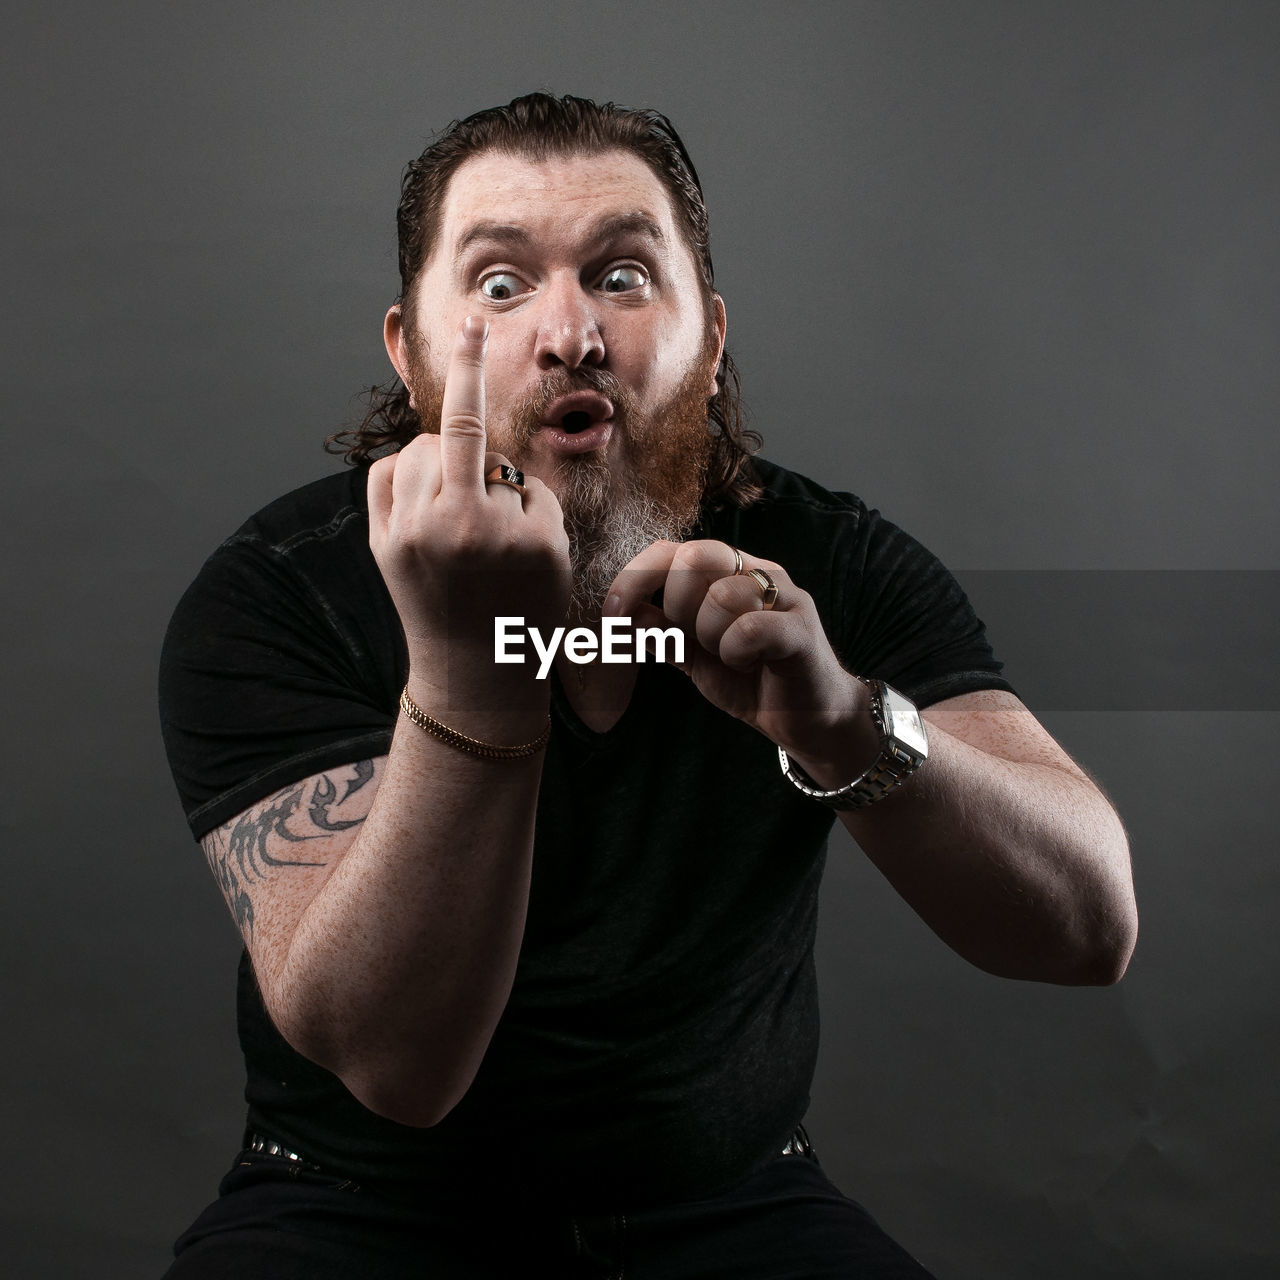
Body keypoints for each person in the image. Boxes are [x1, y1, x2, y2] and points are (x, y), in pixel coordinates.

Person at [158, 93, 1138, 1278]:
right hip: (350, 1208)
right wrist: (472, 670)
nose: (569, 331)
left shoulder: (825, 562)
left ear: (707, 335)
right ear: (411, 351)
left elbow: (1088, 922)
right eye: (500, 285)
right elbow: (397, 1064)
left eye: (622, 275)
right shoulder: (280, 592)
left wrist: (838, 721)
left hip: (731, 1205)